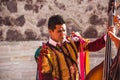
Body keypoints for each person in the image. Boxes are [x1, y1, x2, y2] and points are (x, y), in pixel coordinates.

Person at [34, 15, 106, 80]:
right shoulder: (45, 52)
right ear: (50, 31)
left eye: (64, 30)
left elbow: (91, 46)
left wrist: (106, 37)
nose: (63, 34)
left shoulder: (72, 42)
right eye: (59, 31)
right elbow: (46, 77)